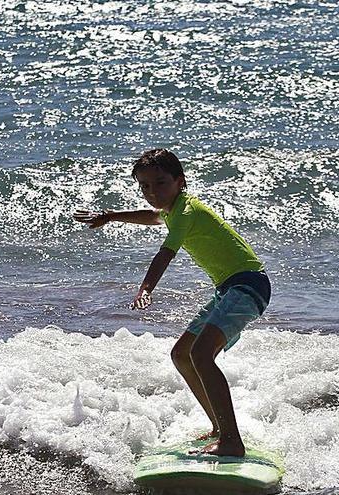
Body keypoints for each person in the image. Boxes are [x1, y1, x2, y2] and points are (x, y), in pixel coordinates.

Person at [74, 149, 271, 457]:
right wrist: (111, 216)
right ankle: (221, 429)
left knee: (202, 355)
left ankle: (232, 441)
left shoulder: (188, 211)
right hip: (229, 289)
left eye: (160, 183)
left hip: (247, 285)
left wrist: (146, 288)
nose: (152, 192)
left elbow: (165, 252)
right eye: (145, 186)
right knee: (182, 354)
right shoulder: (173, 210)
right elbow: (154, 217)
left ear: (181, 181)